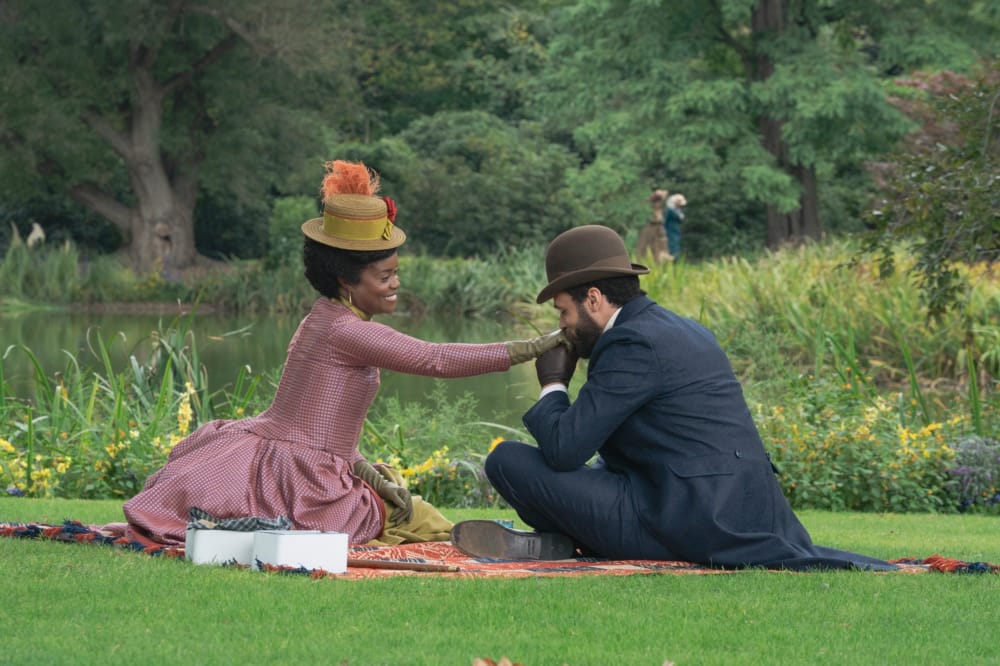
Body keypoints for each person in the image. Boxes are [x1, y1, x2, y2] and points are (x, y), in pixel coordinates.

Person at [123, 160, 565, 548]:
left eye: (397, 273)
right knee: (422, 523)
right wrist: (533, 347)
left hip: (294, 461)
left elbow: (321, 425)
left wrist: (366, 471)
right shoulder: (345, 330)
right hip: (302, 479)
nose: (395, 284)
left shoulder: (325, 317)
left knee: (415, 515)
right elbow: (436, 360)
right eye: (385, 275)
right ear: (347, 281)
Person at [450, 225, 897, 571]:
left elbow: (566, 449)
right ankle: (561, 541)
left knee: (507, 460)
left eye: (564, 313)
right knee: (579, 470)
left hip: (690, 524)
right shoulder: (676, 327)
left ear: (593, 298)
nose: (564, 326)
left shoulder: (630, 344)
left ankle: (563, 540)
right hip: (734, 513)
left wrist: (552, 385)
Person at [634, 188, 672, 262]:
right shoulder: (653, 209)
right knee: (648, 247)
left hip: (657, 230)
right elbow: (655, 220)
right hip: (652, 230)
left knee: (658, 246)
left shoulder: (659, 209)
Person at [664, 193, 686, 259]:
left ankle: (675, 259)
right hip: (670, 230)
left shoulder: (677, 210)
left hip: (675, 230)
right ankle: (673, 259)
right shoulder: (670, 210)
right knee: (672, 246)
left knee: (676, 245)